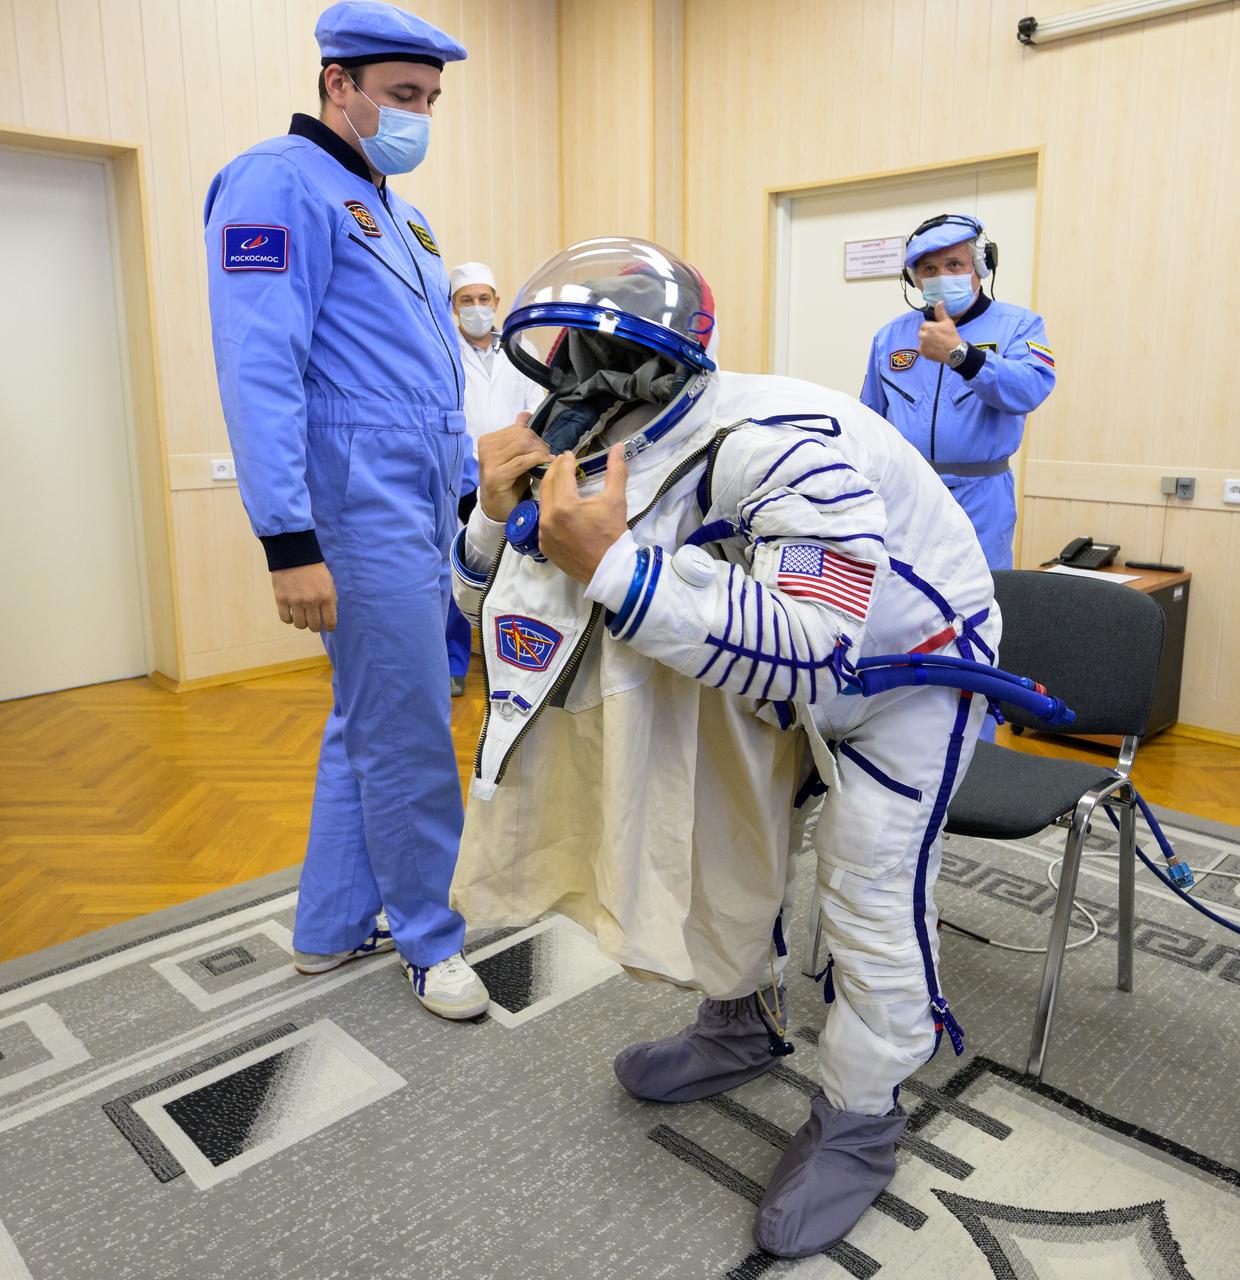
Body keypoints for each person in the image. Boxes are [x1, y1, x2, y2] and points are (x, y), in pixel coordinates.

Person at [451, 236, 999, 1256]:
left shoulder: (778, 440)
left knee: (869, 887)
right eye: (567, 368)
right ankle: (740, 1021)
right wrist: (491, 519)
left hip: (911, 674)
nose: (577, 391)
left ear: (654, 364)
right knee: (716, 839)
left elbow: (810, 645)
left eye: (595, 367)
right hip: (754, 657)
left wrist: (610, 562)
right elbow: (496, 603)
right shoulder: (606, 434)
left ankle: (864, 1111)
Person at [202, 0, 487, 1019]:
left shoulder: (402, 214)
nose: (417, 115)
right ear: (339, 83)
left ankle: (328, 925)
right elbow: (258, 366)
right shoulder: (275, 183)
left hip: (416, 499)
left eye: (430, 100)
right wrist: (289, 539)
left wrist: (466, 492)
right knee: (407, 724)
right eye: (401, 95)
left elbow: (429, 378)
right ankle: (428, 932)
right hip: (352, 505)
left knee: (364, 718)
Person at [861, 214, 1056, 571]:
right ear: (915, 279)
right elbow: (868, 423)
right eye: (930, 268)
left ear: (980, 267)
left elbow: (1031, 388)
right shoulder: (889, 338)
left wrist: (962, 356)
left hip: (982, 500)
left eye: (954, 264)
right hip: (906, 499)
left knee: (981, 607)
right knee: (907, 603)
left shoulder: (1019, 325)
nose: (941, 277)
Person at [442, 262, 545, 695]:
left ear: (497, 303)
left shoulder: (523, 351)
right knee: (459, 567)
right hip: (458, 479)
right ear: (453, 306)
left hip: (517, 477)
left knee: (519, 571)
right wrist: (470, 478)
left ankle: (512, 660)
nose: (477, 308)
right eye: (467, 300)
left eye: (484, 299)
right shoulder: (444, 352)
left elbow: (539, 408)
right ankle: (452, 666)